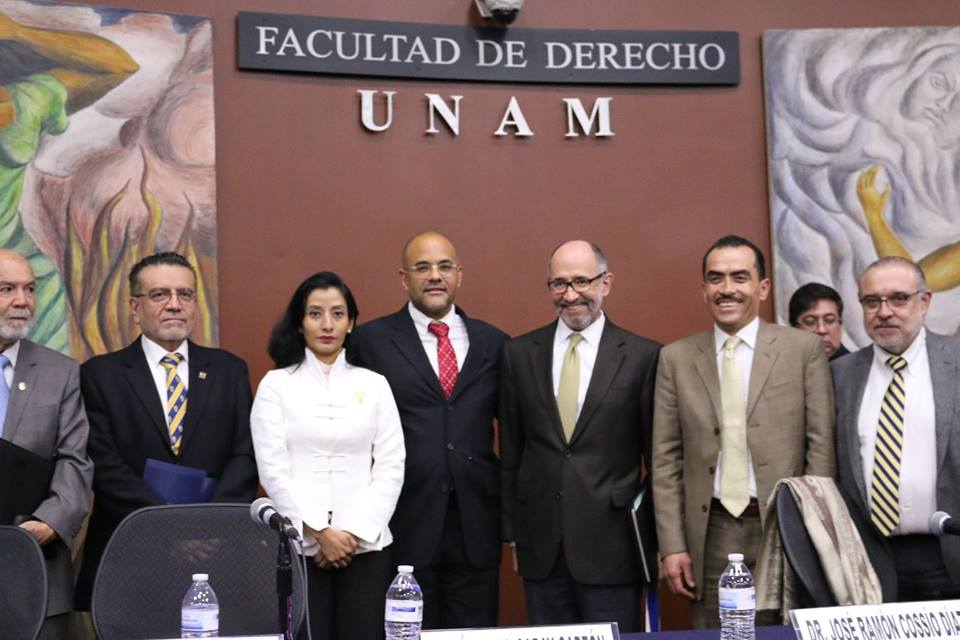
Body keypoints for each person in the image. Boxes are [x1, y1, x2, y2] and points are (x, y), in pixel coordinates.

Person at [652, 235, 835, 628]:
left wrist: (812, 531)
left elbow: (820, 447)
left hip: (784, 526)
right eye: (715, 279)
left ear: (763, 286)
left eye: (740, 277)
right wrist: (672, 546)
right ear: (703, 289)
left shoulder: (802, 350)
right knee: (716, 633)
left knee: (783, 631)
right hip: (710, 530)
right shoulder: (676, 358)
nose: (727, 289)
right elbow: (665, 460)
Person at [75, 251, 258, 610]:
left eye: (185, 295)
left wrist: (210, 526)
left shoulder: (228, 370)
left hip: (216, 553)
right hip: (130, 555)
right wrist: (169, 527)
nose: (175, 305)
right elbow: (105, 466)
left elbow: (245, 455)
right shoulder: (100, 374)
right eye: (160, 295)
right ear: (134, 307)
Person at [499, 240, 660, 631]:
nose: (570, 295)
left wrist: (654, 539)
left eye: (581, 282)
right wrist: (514, 534)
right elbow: (511, 452)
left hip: (614, 545)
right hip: (542, 548)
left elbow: (659, 459)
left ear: (606, 282)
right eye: (559, 284)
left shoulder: (643, 356)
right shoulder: (519, 354)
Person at [350, 231, 508, 629]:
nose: (434, 276)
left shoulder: (495, 343)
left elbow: (515, 436)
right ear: (404, 279)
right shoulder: (371, 341)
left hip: (476, 526)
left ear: (459, 275)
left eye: (444, 267)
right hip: (405, 522)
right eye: (422, 268)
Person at [251, 271, 405, 640]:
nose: (327, 325)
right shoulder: (277, 385)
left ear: (351, 323)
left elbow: (390, 466)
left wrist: (349, 534)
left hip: (365, 545)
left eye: (338, 314)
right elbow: (273, 470)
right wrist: (320, 533)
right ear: (300, 323)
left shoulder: (374, 384)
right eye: (315, 313)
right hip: (301, 547)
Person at [0, 10, 138, 352]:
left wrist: (18, 31)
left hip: (29, 289)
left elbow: (118, 66)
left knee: (45, 392)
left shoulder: (23, 105)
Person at [833, 256, 960, 600]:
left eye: (898, 298)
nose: (884, 311)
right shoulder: (840, 376)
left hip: (950, 554)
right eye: (871, 301)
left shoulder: (956, 362)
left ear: (925, 302)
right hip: (869, 561)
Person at [0, 250, 92, 640]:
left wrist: (49, 523)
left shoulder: (61, 372)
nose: (22, 300)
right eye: (7, 289)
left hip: (35, 570)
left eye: (30, 289)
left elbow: (76, 461)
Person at [788, 282, 850, 360]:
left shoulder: (860, 370)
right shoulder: (780, 367)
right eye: (810, 322)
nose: (821, 330)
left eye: (829, 320)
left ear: (841, 326)